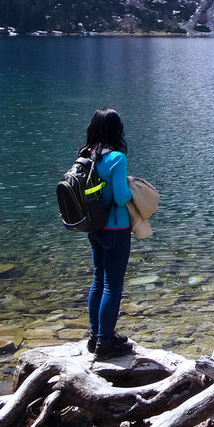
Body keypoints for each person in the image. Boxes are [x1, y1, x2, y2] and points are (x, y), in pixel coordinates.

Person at [79, 107, 136, 360]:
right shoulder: (116, 159)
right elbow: (122, 196)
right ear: (116, 130)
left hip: (94, 226)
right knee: (113, 284)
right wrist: (136, 190)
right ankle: (105, 342)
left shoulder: (86, 155)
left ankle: (95, 336)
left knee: (98, 280)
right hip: (116, 227)